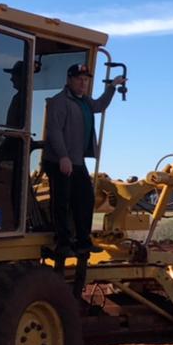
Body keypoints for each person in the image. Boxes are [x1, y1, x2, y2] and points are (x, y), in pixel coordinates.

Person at [44, 62, 123, 258]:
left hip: (76, 161)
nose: (83, 83)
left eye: (86, 80)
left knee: (86, 200)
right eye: (79, 79)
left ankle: (83, 241)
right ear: (69, 80)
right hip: (59, 160)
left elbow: (100, 105)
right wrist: (63, 156)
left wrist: (112, 86)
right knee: (62, 202)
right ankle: (62, 243)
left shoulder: (85, 101)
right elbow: (54, 131)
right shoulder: (59, 101)